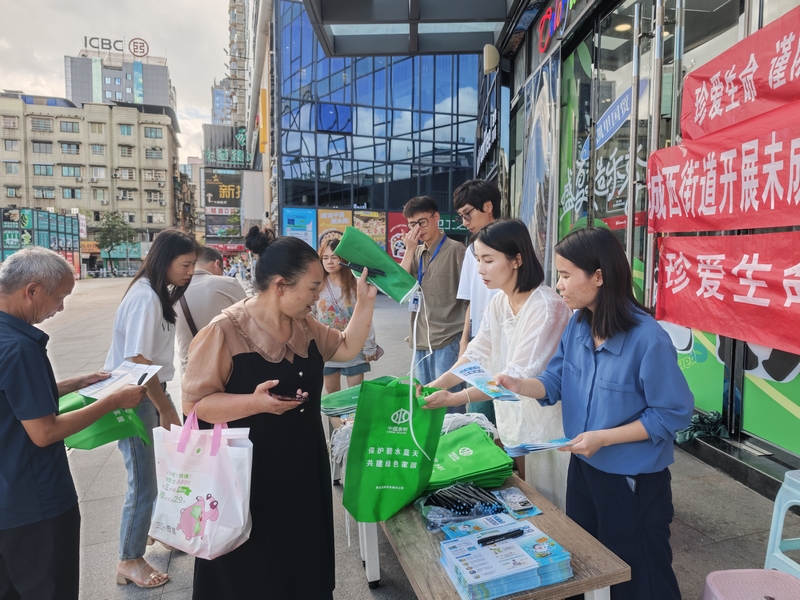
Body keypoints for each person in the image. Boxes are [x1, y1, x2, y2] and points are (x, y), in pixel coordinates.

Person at [494, 227, 693, 600]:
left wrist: (604, 438)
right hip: (584, 469)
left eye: (566, 275)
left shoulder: (648, 339)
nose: (559, 285)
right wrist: (519, 385)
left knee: (640, 575)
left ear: (598, 276)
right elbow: (554, 380)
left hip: (631, 480)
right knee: (588, 563)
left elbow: (673, 413)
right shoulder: (579, 325)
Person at [182, 226, 377, 599]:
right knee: (253, 572)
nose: (317, 297)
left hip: (303, 466)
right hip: (247, 476)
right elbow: (194, 405)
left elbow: (349, 347)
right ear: (280, 285)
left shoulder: (304, 325)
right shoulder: (225, 331)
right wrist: (254, 403)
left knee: (301, 564)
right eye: (313, 287)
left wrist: (366, 302)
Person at [0, 247, 145, 600]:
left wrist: (74, 382)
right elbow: (44, 432)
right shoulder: (20, 347)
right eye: (59, 297)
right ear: (31, 290)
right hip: (33, 503)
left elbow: (12, 397)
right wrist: (113, 400)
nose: (60, 308)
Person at [422, 220, 571, 509]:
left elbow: (516, 377)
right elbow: (476, 354)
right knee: (531, 495)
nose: (480, 269)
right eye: (478, 260)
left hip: (548, 418)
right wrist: (433, 386)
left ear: (517, 260)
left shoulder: (545, 306)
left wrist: (455, 397)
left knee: (554, 497)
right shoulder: (499, 302)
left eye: (488, 260)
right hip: (515, 413)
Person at [105, 228, 198, 589]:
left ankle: (151, 531)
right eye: (185, 264)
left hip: (146, 393)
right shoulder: (145, 298)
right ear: (164, 260)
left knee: (158, 473)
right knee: (143, 482)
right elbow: (139, 360)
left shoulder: (155, 295)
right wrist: (166, 407)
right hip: (134, 397)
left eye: (193, 264)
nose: (190, 271)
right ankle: (129, 558)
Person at [399, 196, 467, 410]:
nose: (417, 229)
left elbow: (470, 301)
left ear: (436, 217)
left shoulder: (457, 250)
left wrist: (465, 342)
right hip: (420, 340)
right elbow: (398, 286)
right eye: (412, 225)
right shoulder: (416, 253)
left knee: (450, 407)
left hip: (448, 340)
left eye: (422, 222)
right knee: (425, 403)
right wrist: (409, 250)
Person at [453, 179, 502, 422]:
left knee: (507, 415)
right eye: (461, 216)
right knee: (479, 417)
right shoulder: (472, 248)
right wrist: (465, 341)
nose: (465, 222)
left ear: (488, 206)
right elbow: (472, 299)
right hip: (479, 339)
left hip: (506, 339)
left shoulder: (511, 242)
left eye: (468, 214)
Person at [314, 238, 378, 393]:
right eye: (325, 257)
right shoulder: (316, 285)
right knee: (333, 397)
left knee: (355, 398)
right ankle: (334, 420)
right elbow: (311, 316)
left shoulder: (356, 285)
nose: (329, 262)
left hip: (354, 347)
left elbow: (365, 316)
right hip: (327, 348)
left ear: (343, 259)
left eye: (334, 257)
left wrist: (369, 346)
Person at [176, 246, 246, 375]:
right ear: (217, 263)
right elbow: (253, 319)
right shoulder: (227, 283)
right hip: (227, 370)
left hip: (190, 371)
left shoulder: (174, 290)